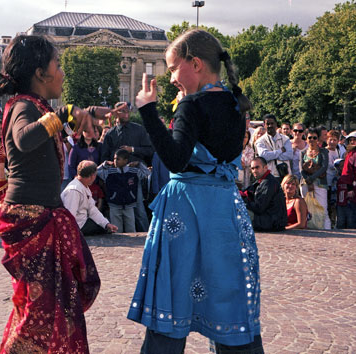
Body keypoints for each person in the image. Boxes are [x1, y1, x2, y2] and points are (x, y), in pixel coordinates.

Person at [127, 29, 263, 352]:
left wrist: (147, 111)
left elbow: (175, 158)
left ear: (196, 64)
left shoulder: (191, 105)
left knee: (172, 300)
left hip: (185, 213)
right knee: (228, 300)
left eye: (173, 68)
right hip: (225, 212)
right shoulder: (235, 105)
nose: (171, 77)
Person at [0, 34, 103, 352]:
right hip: (31, 219)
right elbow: (25, 139)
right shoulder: (23, 106)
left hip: (44, 215)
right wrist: (66, 112)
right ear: (40, 73)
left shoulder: (36, 106)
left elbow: (43, 140)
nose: (62, 72)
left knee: (47, 308)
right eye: (58, 65)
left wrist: (84, 114)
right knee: (39, 314)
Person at [97, 149, 150, 233]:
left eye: (118, 159)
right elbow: (95, 172)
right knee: (116, 231)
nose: (115, 161)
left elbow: (147, 173)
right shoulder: (109, 172)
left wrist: (139, 164)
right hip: (114, 205)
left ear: (126, 160)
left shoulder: (134, 172)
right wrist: (104, 164)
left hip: (129, 205)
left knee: (131, 230)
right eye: (114, 159)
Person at [62, 160, 117, 236]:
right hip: (78, 227)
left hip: (83, 222)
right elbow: (69, 216)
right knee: (103, 230)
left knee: (105, 226)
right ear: (92, 176)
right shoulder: (74, 191)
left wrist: (106, 224)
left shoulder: (83, 186)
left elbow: (92, 209)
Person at [242, 157, 287, 232]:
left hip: (271, 222)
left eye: (257, 167)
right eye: (252, 168)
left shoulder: (268, 182)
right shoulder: (262, 180)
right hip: (270, 220)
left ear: (265, 167)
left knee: (238, 210)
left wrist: (243, 201)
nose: (254, 171)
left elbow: (259, 207)